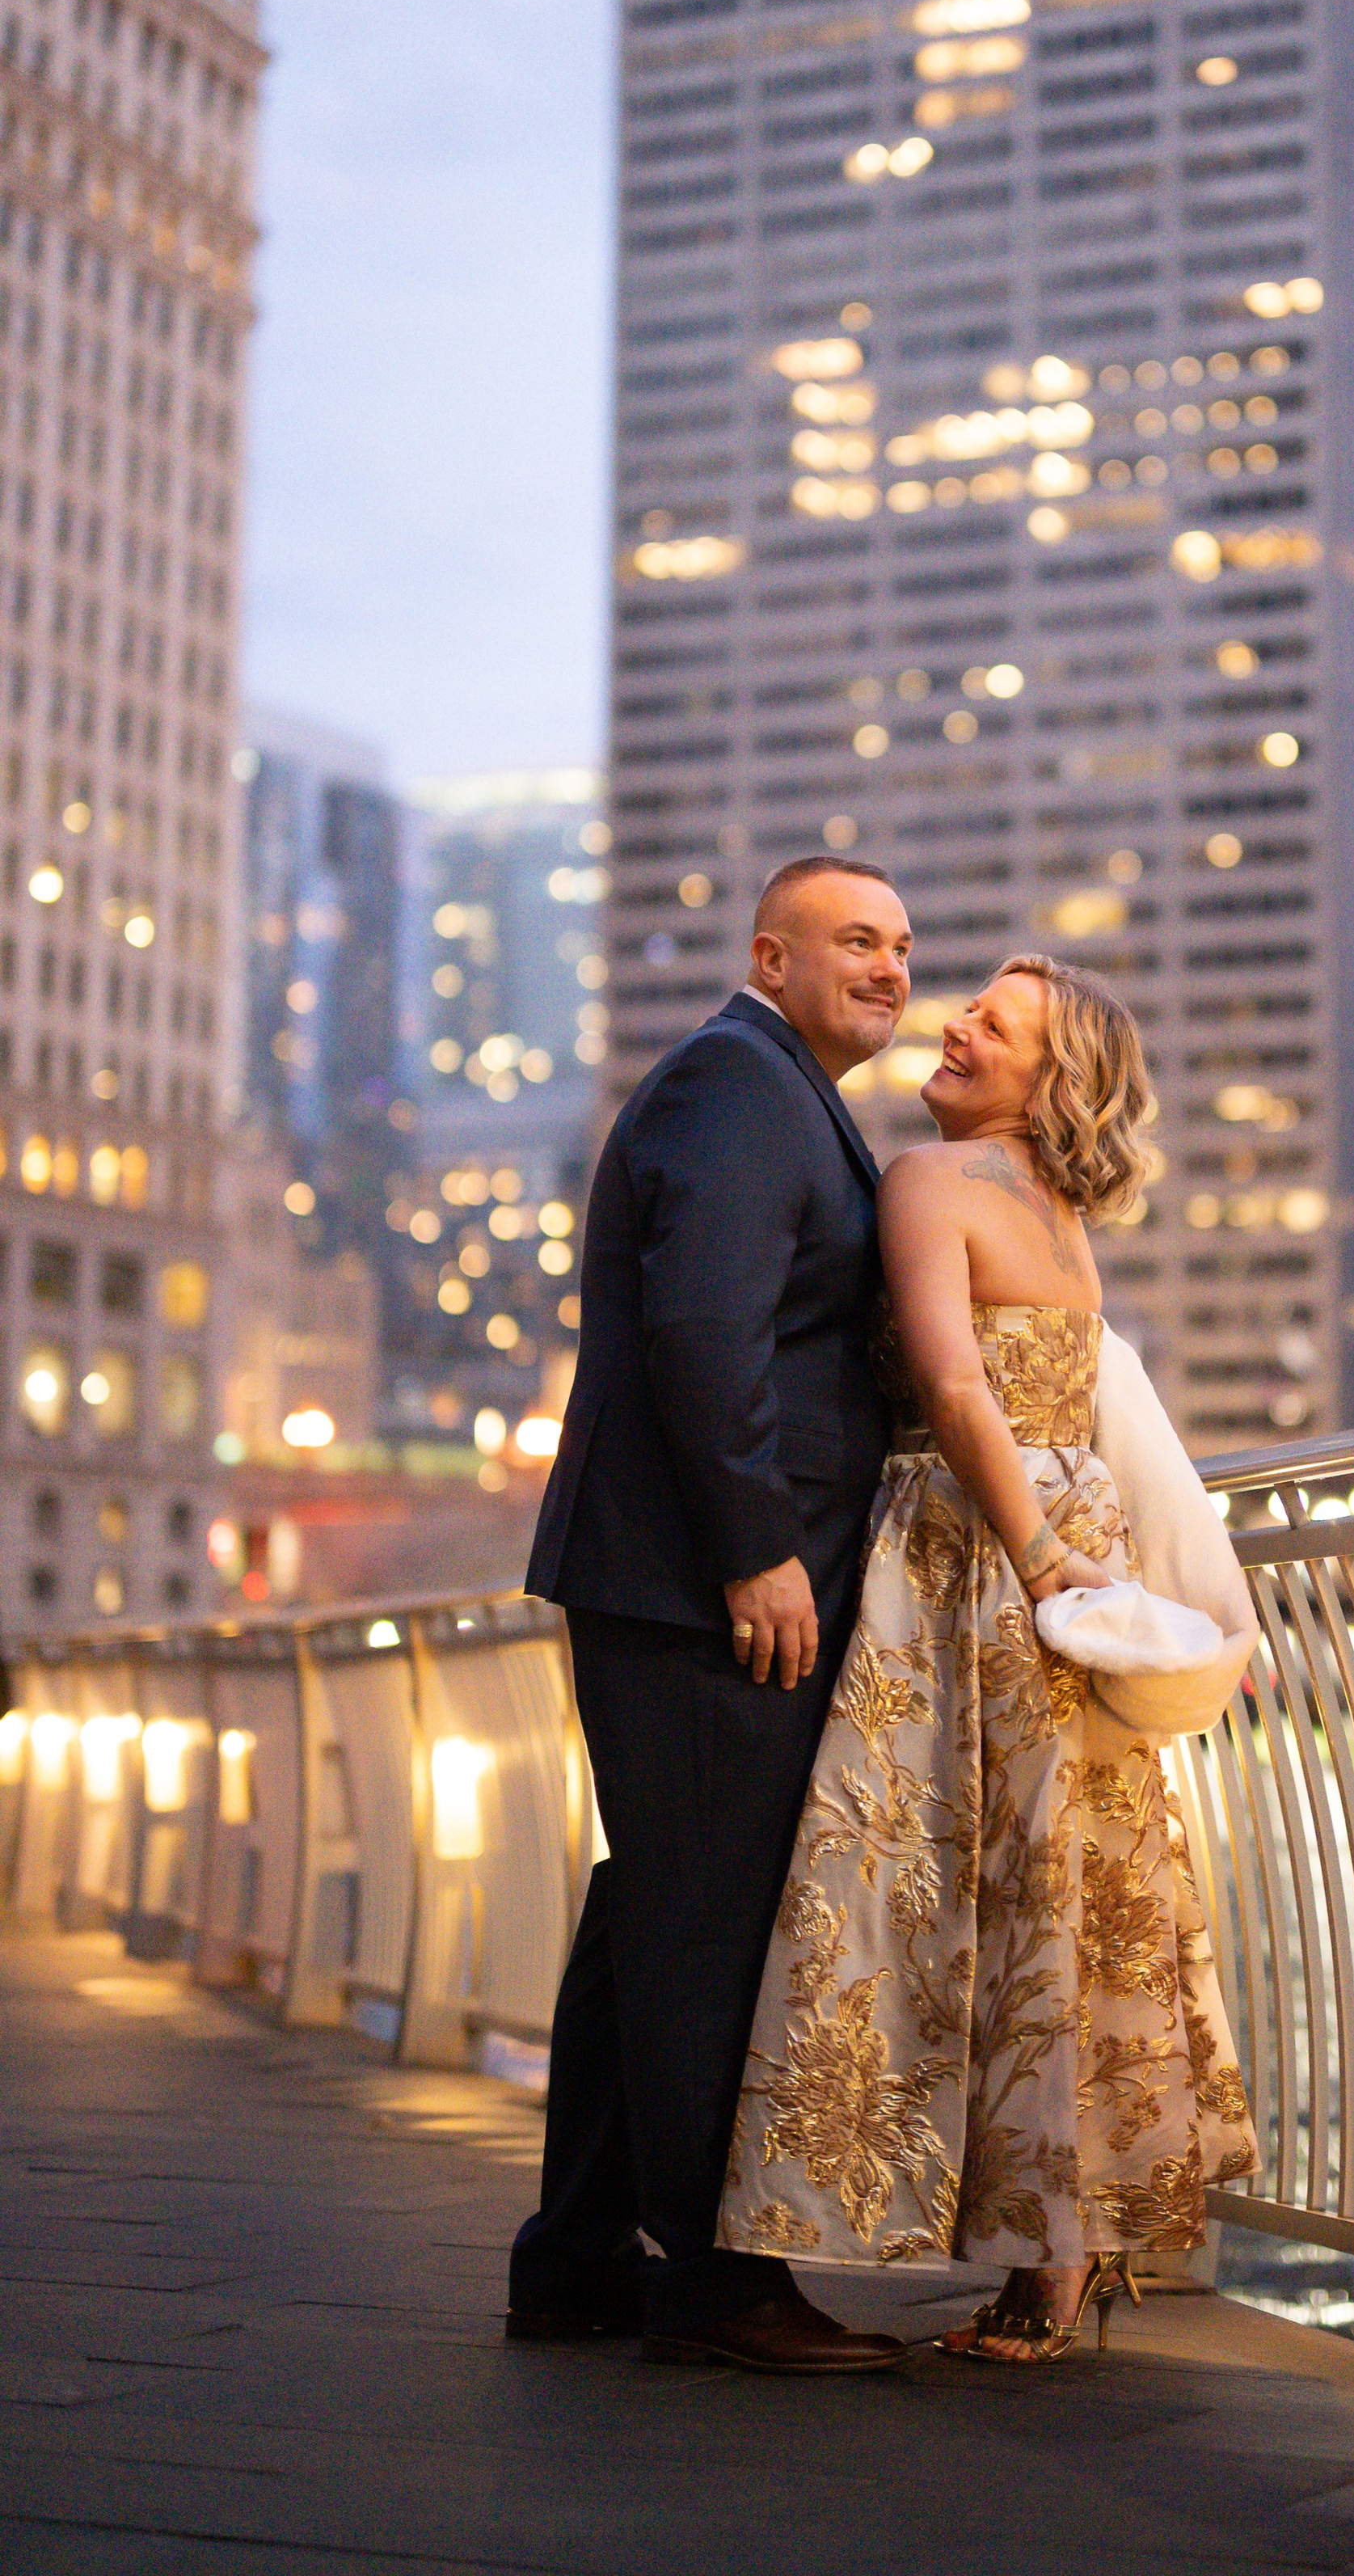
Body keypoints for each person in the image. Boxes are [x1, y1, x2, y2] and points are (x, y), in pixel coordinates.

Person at [719, 956, 1257, 2359]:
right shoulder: (1064, 1217)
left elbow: (955, 1383)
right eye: (969, 1008)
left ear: (1048, 1077)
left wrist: (1023, 1556)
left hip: (974, 1552)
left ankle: (910, 2219)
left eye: (995, 1026)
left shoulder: (929, 1181)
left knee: (916, 1883)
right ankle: (1061, 2257)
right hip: (1082, 1556)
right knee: (1066, 1896)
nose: (955, 1025)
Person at [507, 855, 921, 2374]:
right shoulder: (740, 1087)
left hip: (684, 1582)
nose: (887, 968)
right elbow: (702, 1331)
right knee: (702, 1921)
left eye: (899, 946)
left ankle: (572, 2261)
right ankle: (712, 2278)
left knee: (650, 1913)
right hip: (700, 1590)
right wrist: (758, 1550)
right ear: (772, 952)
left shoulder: (769, 1084)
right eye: (854, 941)